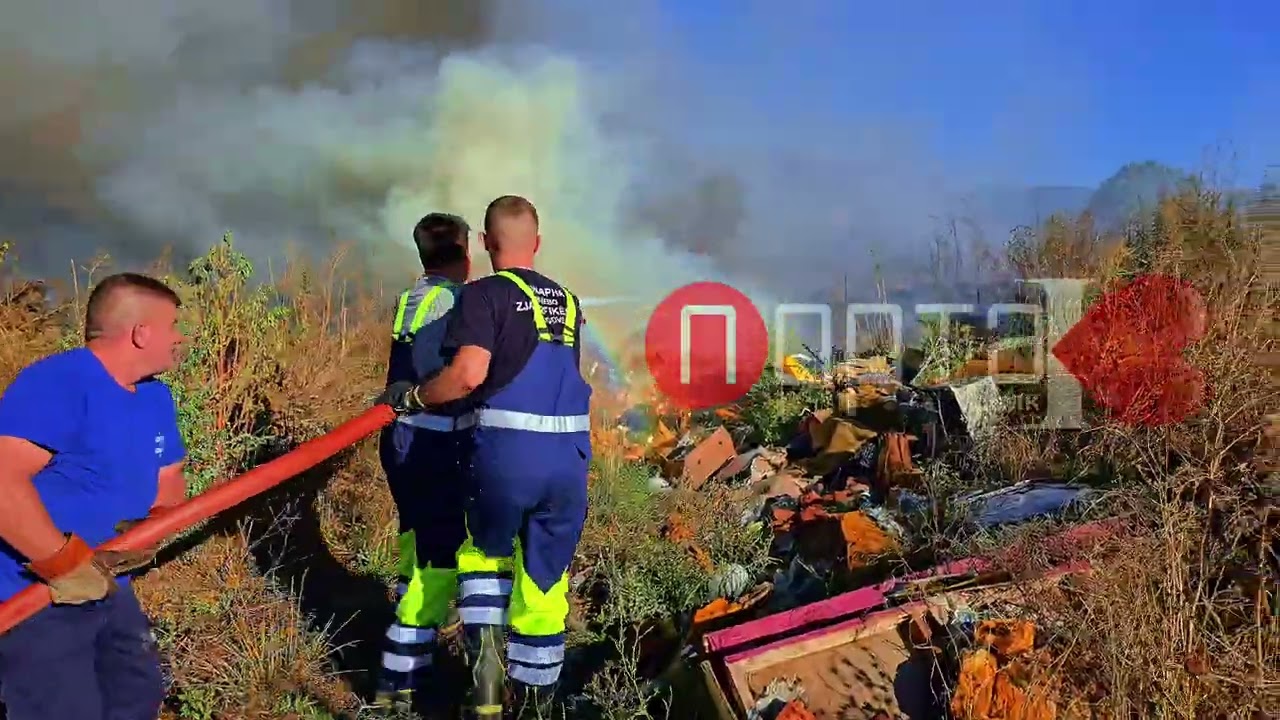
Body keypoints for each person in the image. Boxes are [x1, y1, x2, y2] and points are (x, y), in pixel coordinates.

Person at [379, 195, 592, 718]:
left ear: (486, 244)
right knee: (545, 582)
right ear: (537, 243)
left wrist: (412, 399)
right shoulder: (566, 301)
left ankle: (484, 700)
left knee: (476, 560)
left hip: (485, 454)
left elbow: (468, 375)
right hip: (569, 459)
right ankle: (537, 706)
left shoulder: (476, 297)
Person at [0, 272, 189, 720]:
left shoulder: (155, 398)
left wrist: (155, 525)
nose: (179, 338)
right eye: (173, 325)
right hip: (36, 594)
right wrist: (61, 564)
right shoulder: (60, 383)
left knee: (137, 694)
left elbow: (170, 473)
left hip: (109, 585)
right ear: (141, 333)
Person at [374, 212, 474, 712]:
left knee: (415, 539)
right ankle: (401, 677)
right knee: (439, 554)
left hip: (399, 439)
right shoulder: (457, 301)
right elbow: (463, 377)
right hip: (432, 443)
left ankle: (418, 615)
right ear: (465, 253)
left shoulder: (414, 295)